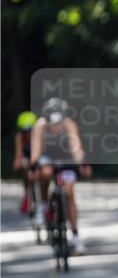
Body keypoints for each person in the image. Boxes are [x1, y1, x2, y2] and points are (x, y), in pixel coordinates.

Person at [30, 98, 92, 253]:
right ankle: (43, 204)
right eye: (53, 123)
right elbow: (36, 151)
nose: (56, 127)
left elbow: (76, 147)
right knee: (45, 172)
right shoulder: (40, 126)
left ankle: (75, 235)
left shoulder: (69, 124)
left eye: (58, 123)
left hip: (66, 158)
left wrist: (82, 164)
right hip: (47, 157)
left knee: (69, 191)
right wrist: (33, 166)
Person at [12, 110, 38, 215]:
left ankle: (45, 200)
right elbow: (18, 154)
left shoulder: (39, 136)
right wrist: (17, 164)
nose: (27, 133)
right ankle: (27, 195)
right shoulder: (19, 137)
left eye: (29, 130)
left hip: (38, 158)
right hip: (27, 158)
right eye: (24, 131)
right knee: (25, 167)